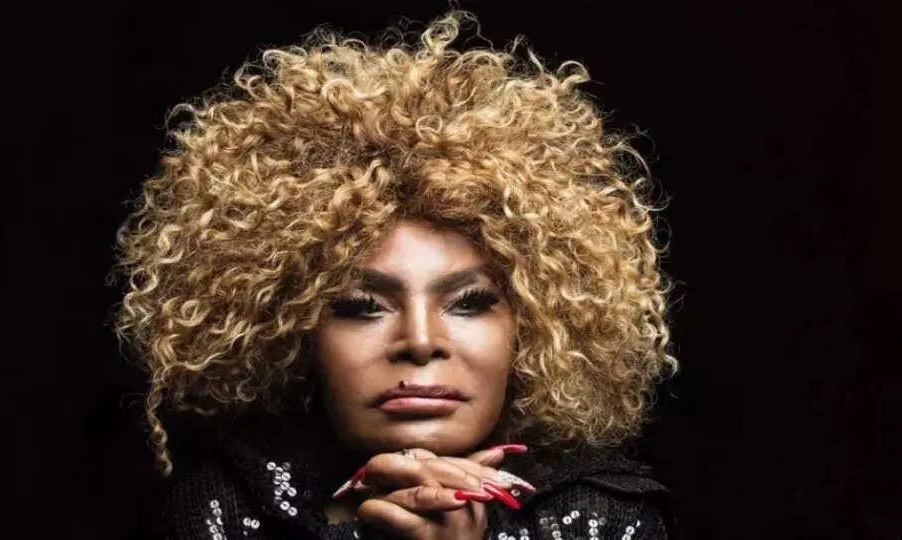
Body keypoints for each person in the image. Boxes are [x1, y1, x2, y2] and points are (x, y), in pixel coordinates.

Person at [112, 10, 679, 540]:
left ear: (533, 326)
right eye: (361, 306)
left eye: (470, 301)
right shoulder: (221, 509)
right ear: (289, 331)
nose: (421, 342)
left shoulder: (609, 518)